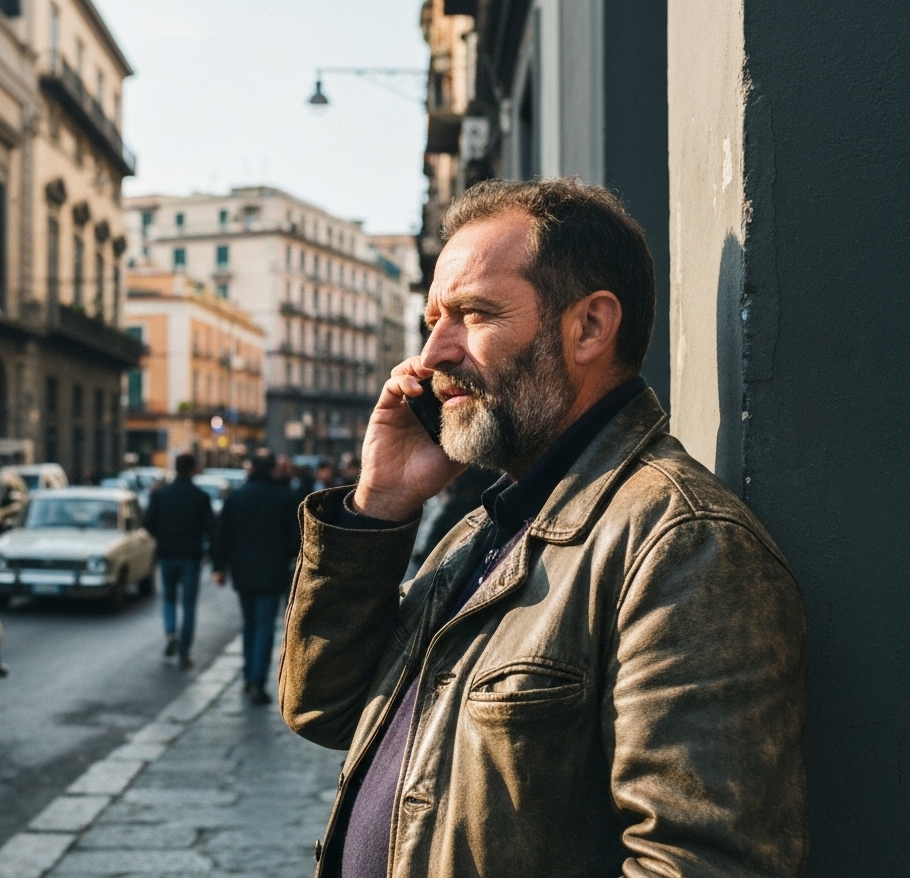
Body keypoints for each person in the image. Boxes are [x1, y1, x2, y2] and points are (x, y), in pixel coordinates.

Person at [279, 179, 807, 878]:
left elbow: (700, 862)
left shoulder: (682, 543)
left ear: (589, 327)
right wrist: (380, 504)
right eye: (432, 320)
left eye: (472, 314)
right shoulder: (484, 527)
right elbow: (325, 708)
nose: (432, 353)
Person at [211, 453, 300, 706]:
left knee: (249, 623)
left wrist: (219, 566)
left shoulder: (237, 497)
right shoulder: (283, 498)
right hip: (272, 572)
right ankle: (257, 681)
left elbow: (222, 534)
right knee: (263, 626)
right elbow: (295, 539)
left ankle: (249, 675)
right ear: (273, 470)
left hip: (242, 572)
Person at [143, 452, 213, 670]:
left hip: (167, 555)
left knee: (169, 599)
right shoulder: (200, 497)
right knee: (189, 606)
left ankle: (171, 631)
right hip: (190, 557)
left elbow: (147, 524)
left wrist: (163, 537)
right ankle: (184, 653)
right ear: (193, 469)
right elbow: (211, 528)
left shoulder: (160, 495)